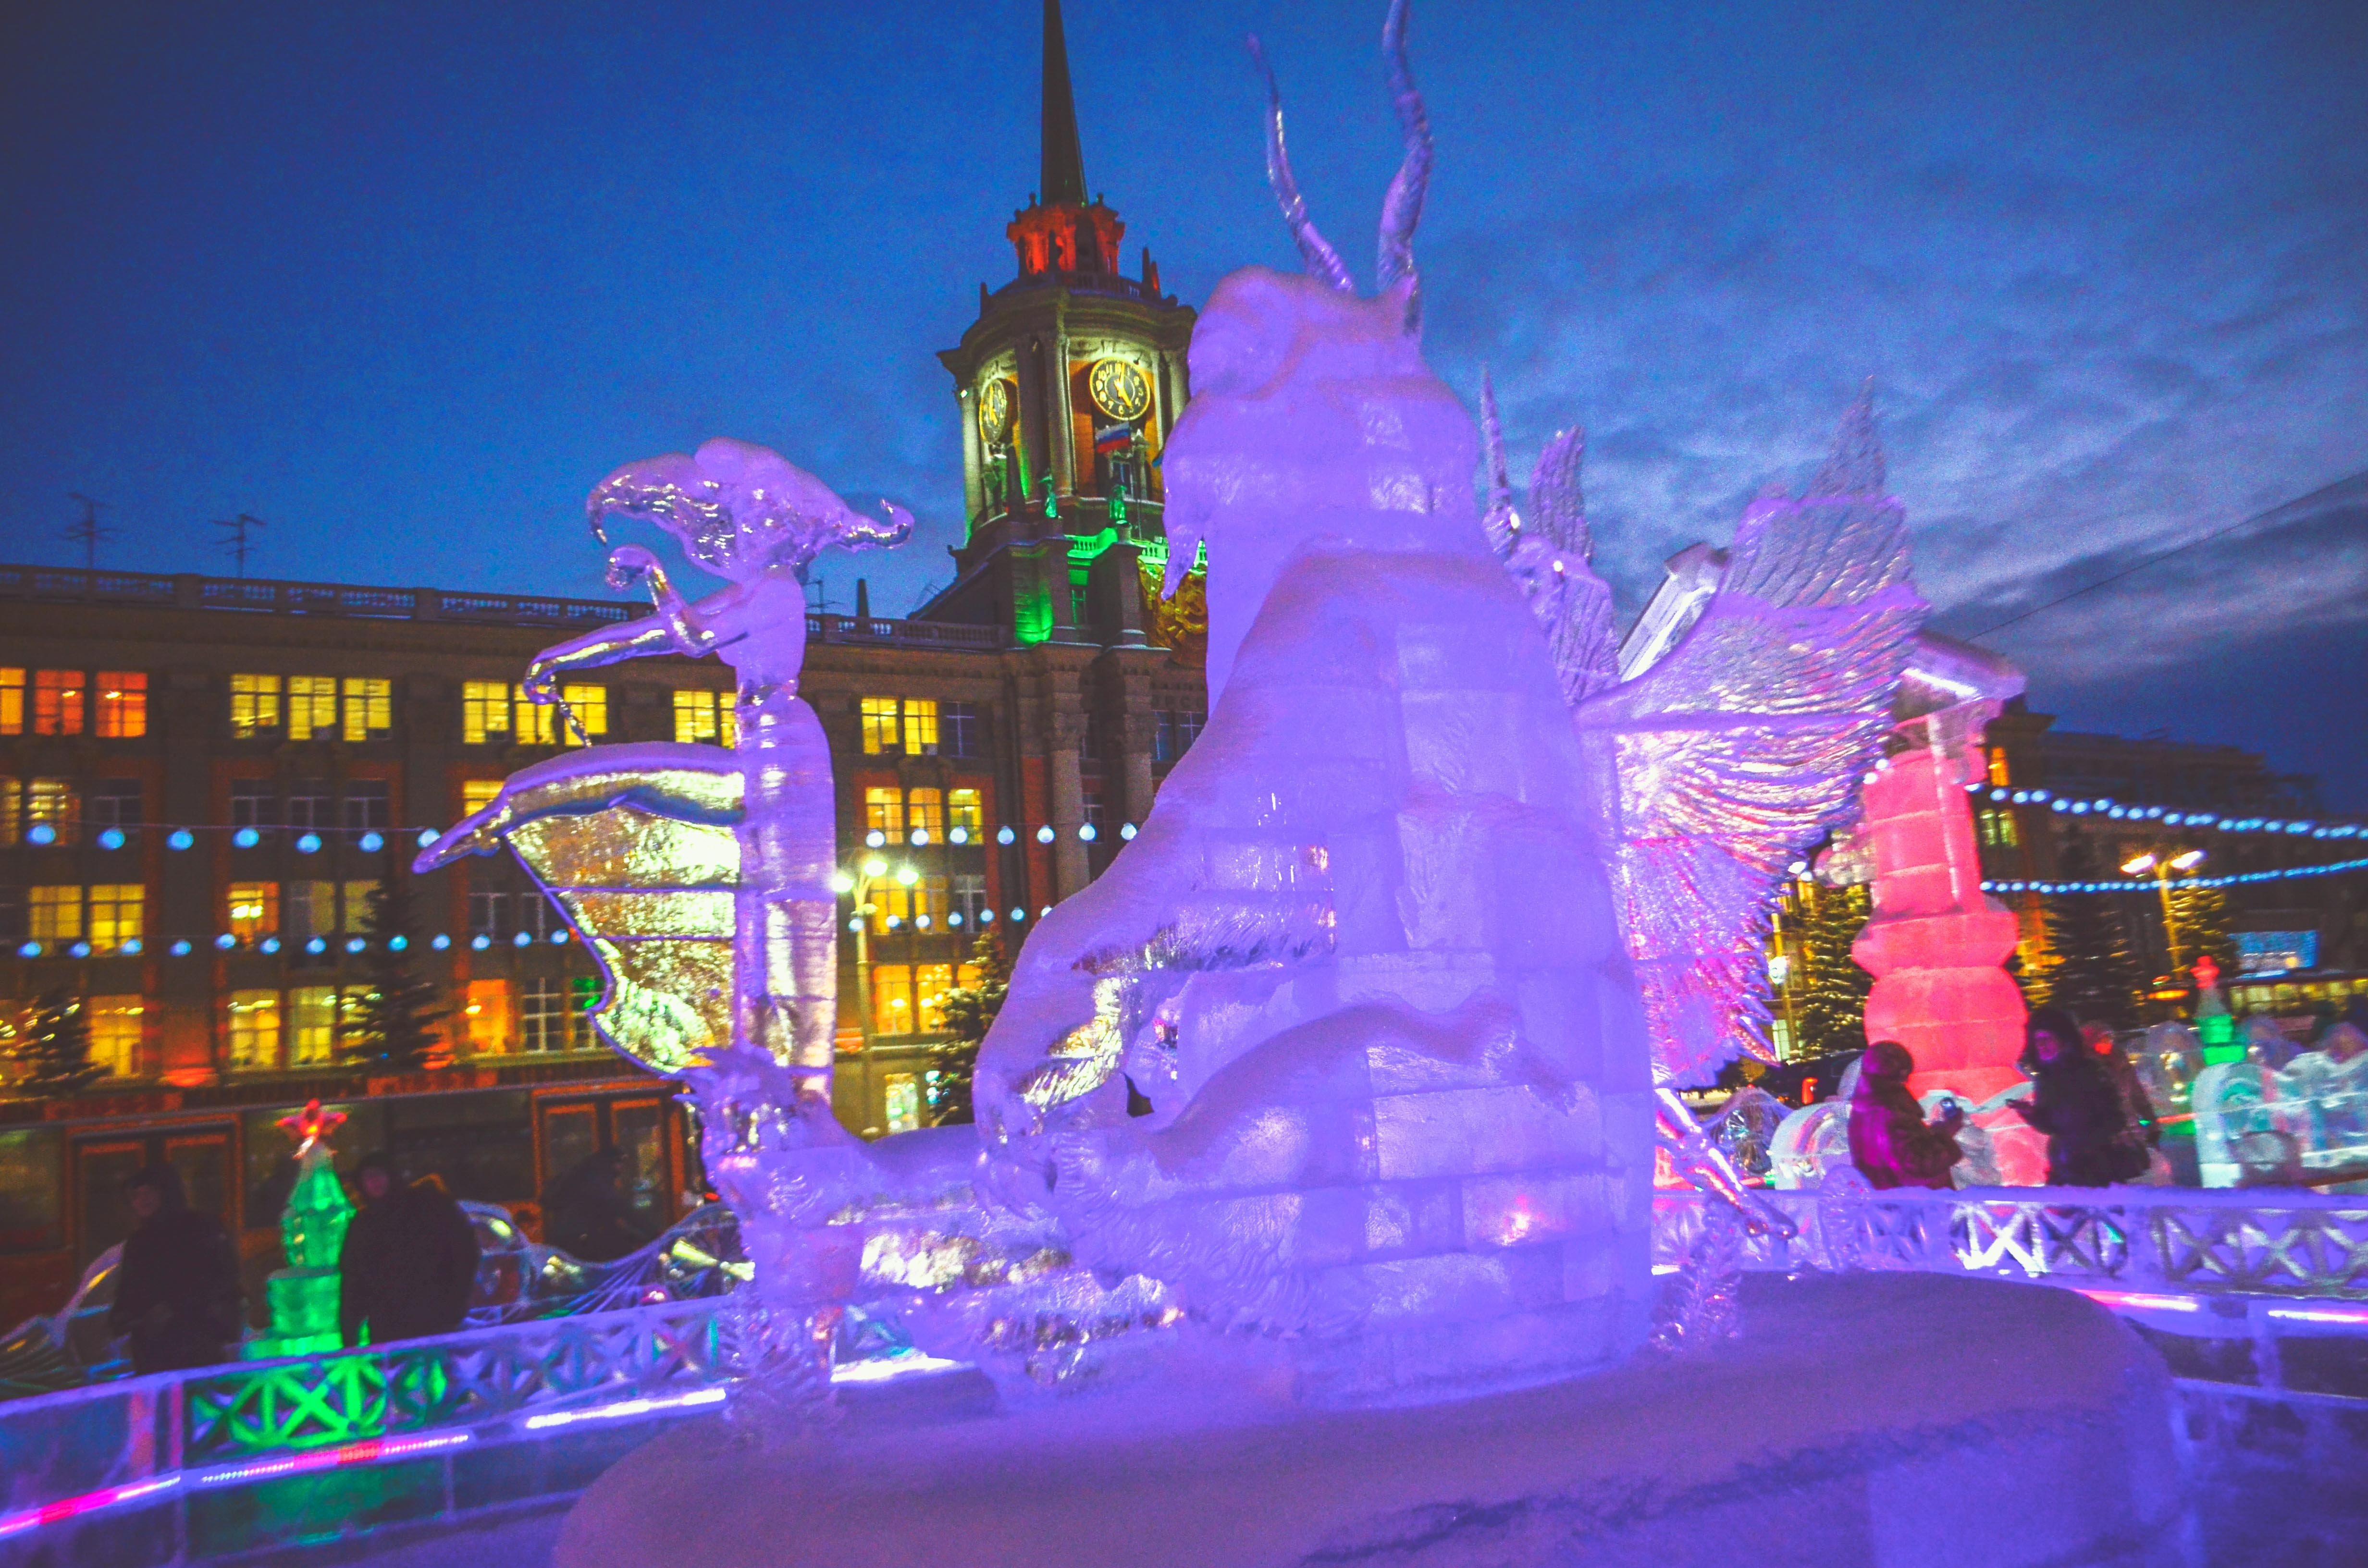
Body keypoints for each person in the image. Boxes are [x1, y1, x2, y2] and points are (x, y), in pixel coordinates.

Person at [107, 1163, 244, 1373]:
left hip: (198, 1340)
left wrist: (176, 1307)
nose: (143, 1201)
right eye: (136, 1196)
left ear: (165, 1193)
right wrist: (130, 1319)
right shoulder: (139, 1242)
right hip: (153, 1349)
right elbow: (129, 1290)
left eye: (149, 1193)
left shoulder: (201, 1228)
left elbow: (221, 1277)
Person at [338, 1152, 481, 1347]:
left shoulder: (427, 1205)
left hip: (436, 1319)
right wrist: (350, 1334)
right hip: (389, 1328)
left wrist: (455, 1303)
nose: (374, 1183)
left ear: (391, 1175)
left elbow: (464, 1250)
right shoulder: (364, 1225)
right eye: (367, 1177)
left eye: (378, 1175)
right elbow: (354, 1281)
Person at [2011, 1007, 2148, 1187]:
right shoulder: (2045, 1079)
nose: (2042, 1046)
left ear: (2064, 1040)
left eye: (2047, 1039)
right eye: (2037, 1041)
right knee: (2062, 1212)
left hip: (2098, 1167)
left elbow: (2115, 1118)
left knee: (2103, 1212)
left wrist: (2086, 1143)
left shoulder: (2089, 1071)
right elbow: (2051, 1126)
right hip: (2063, 1166)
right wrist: (2031, 1114)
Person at [1847, 1041, 1965, 1190]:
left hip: (1888, 1208)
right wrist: (1946, 1134)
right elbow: (1916, 1167)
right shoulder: (1889, 1114)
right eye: (1905, 1073)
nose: (1907, 1080)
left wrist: (1934, 1133)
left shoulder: (1863, 1111)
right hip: (1918, 1209)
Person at [542, 1149, 646, 1262]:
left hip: (566, 1238)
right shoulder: (597, 1182)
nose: (622, 1168)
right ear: (612, 1164)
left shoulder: (582, 1177)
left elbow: (608, 1215)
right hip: (581, 1239)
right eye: (620, 1163)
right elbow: (624, 1210)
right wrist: (652, 1233)